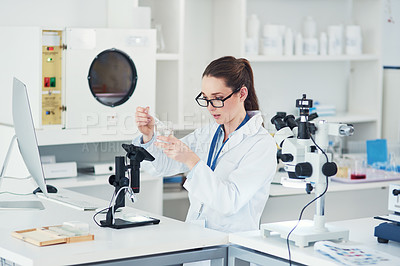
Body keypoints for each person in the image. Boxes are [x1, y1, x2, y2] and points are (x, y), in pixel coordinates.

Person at [134, 56, 277, 233]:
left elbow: (229, 201)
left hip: (231, 243)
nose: (210, 107)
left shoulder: (261, 145)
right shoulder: (208, 133)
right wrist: (148, 136)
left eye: (217, 98)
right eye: (206, 99)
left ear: (242, 94)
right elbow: (161, 167)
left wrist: (192, 161)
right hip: (196, 237)